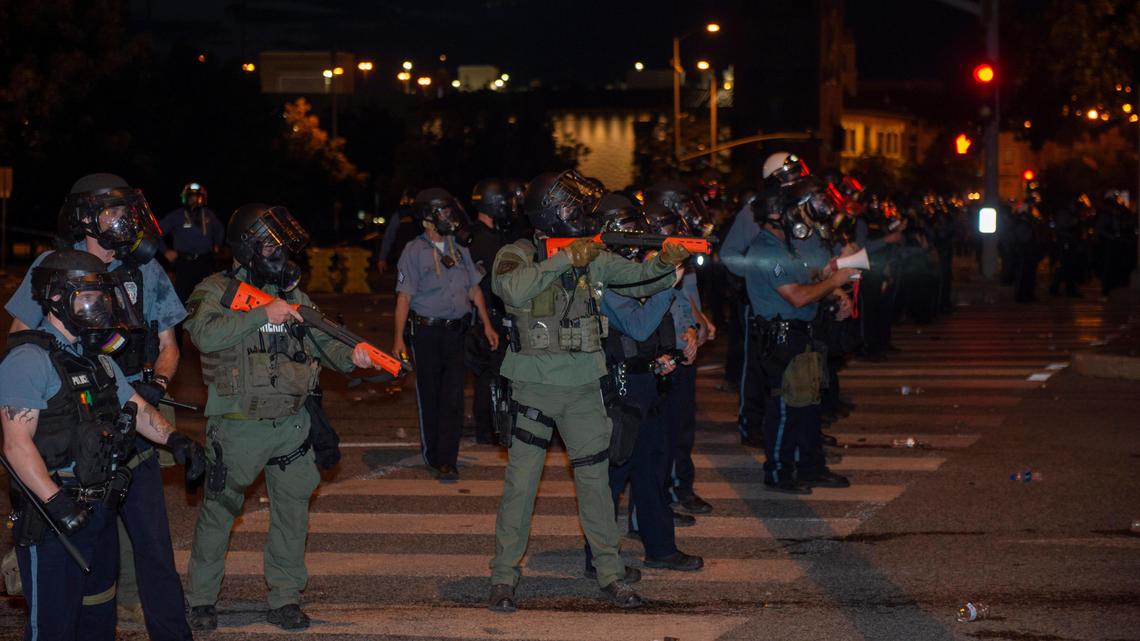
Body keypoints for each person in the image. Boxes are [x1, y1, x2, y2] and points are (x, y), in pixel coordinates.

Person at [487, 170, 690, 612]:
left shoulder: (593, 254)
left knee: (597, 486)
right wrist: (565, 260)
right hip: (534, 387)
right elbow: (508, 289)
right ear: (549, 214)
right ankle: (504, 577)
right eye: (569, 208)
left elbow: (637, 279)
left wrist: (665, 263)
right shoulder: (516, 253)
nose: (578, 215)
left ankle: (611, 575)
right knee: (520, 486)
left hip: (582, 386)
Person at [183, 204, 388, 631]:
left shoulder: (294, 296)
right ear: (246, 249)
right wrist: (263, 314)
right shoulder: (215, 290)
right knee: (219, 512)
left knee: (293, 513)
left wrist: (354, 357)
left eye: (281, 248)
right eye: (270, 247)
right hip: (239, 425)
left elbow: (321, 340)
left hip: (291, 426)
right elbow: (203, 334)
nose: (279, 256)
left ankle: (285, 596)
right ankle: (201, 599)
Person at [5, 173, 192, 638]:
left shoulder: (144, 271)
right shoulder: (55, 269)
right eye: (115, 212)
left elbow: (168, 345)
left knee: (144, 553)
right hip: (69, 432)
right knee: (58, 601)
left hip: (126, 414)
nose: (125, 222)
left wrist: (163, 408)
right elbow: (22, 347)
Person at [589, 193, 703, 576]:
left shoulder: (631, 268)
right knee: (612, 474)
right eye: (626, 227)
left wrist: (677, 342)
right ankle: (600, 558)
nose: (636, 234)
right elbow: (636, 324)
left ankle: (661, 547)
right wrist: (669, 283)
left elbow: (656, 321)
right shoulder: (601, 273)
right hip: (618, 383)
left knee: (652, 469)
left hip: (646, 378)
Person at [738, 186, 856, 493]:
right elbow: (796, 296)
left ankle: (810, 466)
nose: (799, 216)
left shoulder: (785, 247)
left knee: (808, 406)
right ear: (776, 214)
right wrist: (835, 280)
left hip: (801, 335)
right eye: (793, 210)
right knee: (786, 405)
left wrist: (835, 292)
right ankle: (778, 471)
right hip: (782, 338)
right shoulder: (766, 251)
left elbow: (809, 282)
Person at [391, 189, 499, 478]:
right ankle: (434, 452)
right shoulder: (413, 251)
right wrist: (398, 339)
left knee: (453, 397)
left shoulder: (459, 247)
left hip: (456, 332)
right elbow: (403, 297)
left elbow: (474, 289)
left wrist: (487, 325)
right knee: (431, 395)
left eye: (451, 212)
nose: (450, 218)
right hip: (426, 333)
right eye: (444, 213)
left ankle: (447, 459)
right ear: (428, 217)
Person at [467, 179, 513, 445]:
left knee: (493, 376)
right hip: (488, 317)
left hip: (490, 315)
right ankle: (487, 429)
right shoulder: (482, 240)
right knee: (489, 376)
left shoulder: (491, 236)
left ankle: (490, 427)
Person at [158, 182, 225, 306]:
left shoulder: (209, 214)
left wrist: (217, 244)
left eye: (197, 197)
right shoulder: (177, 215)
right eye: (191, 197)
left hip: (206, 262)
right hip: (185, 264)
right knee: (183, 298)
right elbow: (156, 232)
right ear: (185, 198)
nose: (194, 200)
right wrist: (165, 250)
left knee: (206, 296)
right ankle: (181, 324)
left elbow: (220, 230)